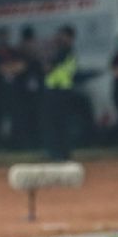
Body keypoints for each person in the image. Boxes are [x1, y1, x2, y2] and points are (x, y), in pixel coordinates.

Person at [41, 24, 78, 160]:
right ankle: (62, 153)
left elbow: (47, 67)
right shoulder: (67, 50)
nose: (60, 38)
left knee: (56, 124)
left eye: (63, 35)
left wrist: (48, 52)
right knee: (60, 123)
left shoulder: (63, 51)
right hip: (62, 91)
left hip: (58, 91)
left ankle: (57, 153)